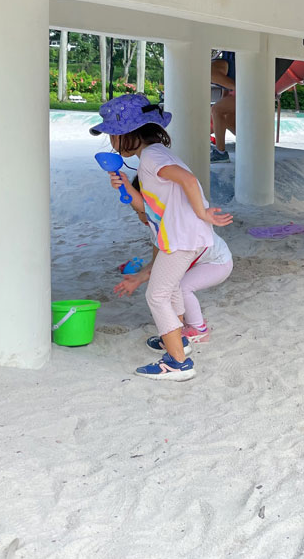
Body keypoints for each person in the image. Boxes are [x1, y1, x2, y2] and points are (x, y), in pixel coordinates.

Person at [91, 93, 232, 381]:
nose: (113, 144)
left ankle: (178, 363)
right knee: (169, 290)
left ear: (127, 134)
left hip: (183, 237)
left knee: (156, 296)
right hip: (184, 236)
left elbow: (189, 180)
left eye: (113, 136)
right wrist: (126, 188)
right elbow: (148, 207)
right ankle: (178, 341)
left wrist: (203, 213)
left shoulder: (153, 156)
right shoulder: (152, 157)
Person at [115, 178, 233, 345]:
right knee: (172, 286)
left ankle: (199, 330)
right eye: (137, 213)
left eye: (143, 211)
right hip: (205, 262)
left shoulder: (177, 223)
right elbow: (159, 263)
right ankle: (182, 326)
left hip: (218, 263)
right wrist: (138, 278)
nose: (142, 218)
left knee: (183, 287)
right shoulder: (157, 228)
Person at [210, 51, 236, 163]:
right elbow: (226, 83)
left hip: (247, 90)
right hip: (239, 90)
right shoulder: (227, 58)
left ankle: (221, 152)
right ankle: (252, 142)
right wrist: (224, 98)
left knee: (216, 110)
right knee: (228, 120)